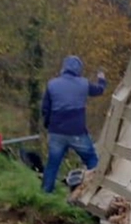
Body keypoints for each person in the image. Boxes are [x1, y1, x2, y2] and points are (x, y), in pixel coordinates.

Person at [40, 55, 107, 193]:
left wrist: (48, 125)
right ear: (79, 70)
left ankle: (45, 193)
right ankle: (95, 191)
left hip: (56, 131)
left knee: (53, 164)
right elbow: (100, 90)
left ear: (64, 67)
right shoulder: (84, 83)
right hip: (77, 131)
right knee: (92, 160)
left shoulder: (52, 84)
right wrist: (101, 77)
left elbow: (45, 109)